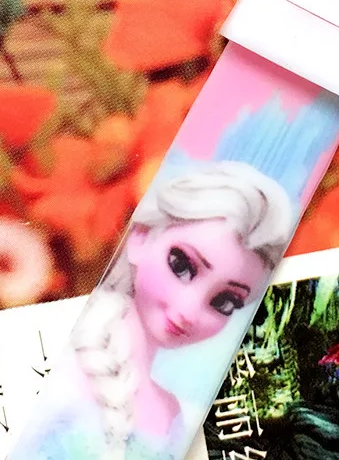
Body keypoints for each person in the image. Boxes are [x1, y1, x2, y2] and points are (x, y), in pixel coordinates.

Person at [70, 160, 294, 458]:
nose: (189, 311)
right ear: (140, 237)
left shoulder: (176, 417)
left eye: (224, 302)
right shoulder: (69, 365)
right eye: (182, 266)